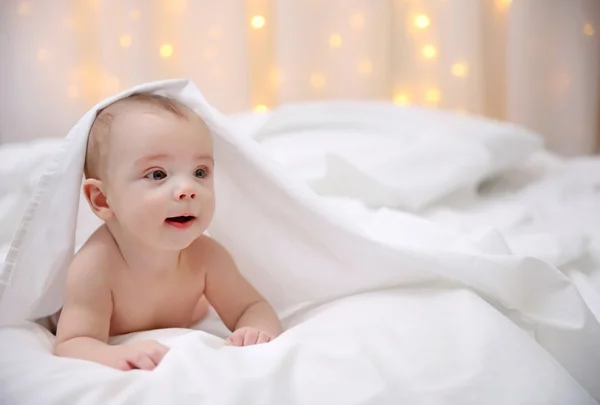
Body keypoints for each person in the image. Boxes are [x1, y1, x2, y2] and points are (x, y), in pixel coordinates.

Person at [53, 93, 282, 371]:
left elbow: (251, 306)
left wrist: (255, 329)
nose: (188, 188)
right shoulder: (95, 267)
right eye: (158, 174)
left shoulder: (206, 257)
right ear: (102, 199)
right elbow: (73, 341)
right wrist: (115, 356)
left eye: (200, 172)